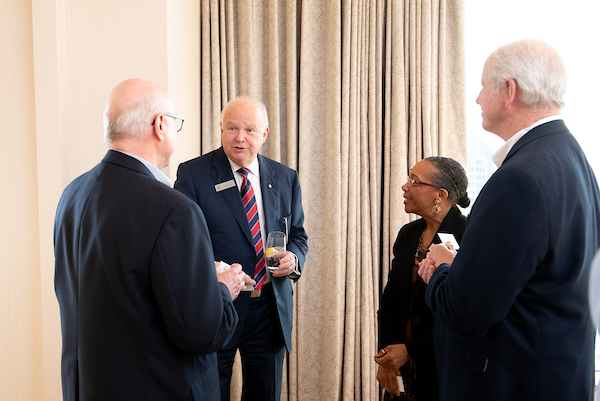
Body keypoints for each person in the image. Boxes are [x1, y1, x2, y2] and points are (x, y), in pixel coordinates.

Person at [418, 39, 600, 401]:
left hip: (510, 383)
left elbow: (466, 310)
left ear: (508, 91)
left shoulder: (520, 179)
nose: (477, 99)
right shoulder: (575, 160)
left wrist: (440, 268)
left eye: (483, 85)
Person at [54, 78, 254, 401]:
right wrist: (222, 287)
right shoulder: (174, 209)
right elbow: (203, 332)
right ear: (161, 125)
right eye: (175, 123)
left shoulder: (72, 195)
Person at [174, 96, 308, 401]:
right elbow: (181, 243)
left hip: (269, 307)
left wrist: (294, 259)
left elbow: (299, 236)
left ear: (265, 133)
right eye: (232, 128)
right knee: (211, 393)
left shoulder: (285, 178)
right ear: (220, 129)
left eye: (249, 130)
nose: (239, 137)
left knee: (265, 393)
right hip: (218, 304)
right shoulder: (193, 175)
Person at [375, 157, 470, 400]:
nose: (404, 187)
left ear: (440, 194)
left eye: (414, 181)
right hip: (402, 367)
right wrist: (387, 359)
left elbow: (464, 314)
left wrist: (411, 350)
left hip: (444, 366)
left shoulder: (469, 237)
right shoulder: (409, 234)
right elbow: (391, 301)